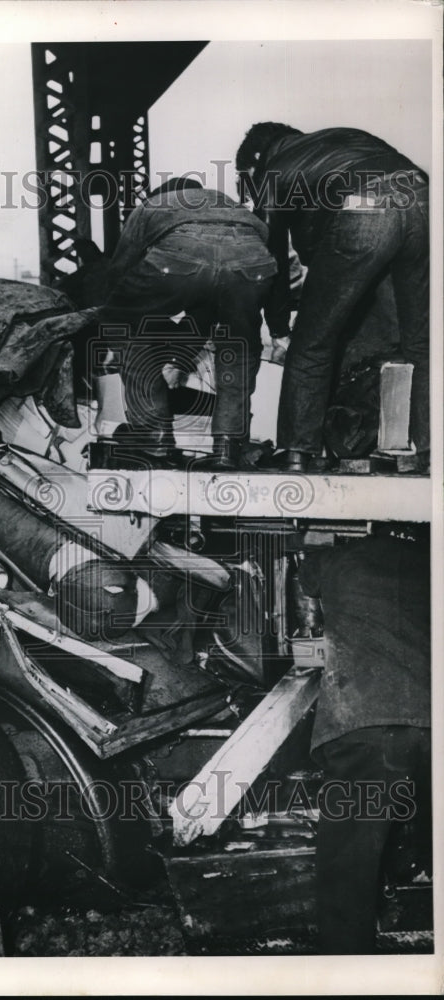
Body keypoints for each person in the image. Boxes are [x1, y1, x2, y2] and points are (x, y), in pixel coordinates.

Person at [235, 123, 429, 472]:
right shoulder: (345, 138)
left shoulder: (275, 170)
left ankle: (297, 451)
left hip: (365, 208)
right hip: (420, 197)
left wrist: (278, 326)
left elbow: (271, 256)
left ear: (257, 160)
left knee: (312, 342)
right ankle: (429, 449)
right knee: (420, 342)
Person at [298, 526, 431, 953]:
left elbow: (305, 575)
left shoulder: (340, 560)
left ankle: (346, 965)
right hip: (433, 713)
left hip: (367, 718)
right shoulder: (430, 560)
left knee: (349, 858)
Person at [99, 177, 277, 469]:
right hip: (250, 261)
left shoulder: (151, 207)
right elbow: (203, 317)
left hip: (179, 263)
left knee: (123, 320)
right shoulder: (232, 207)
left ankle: (153, 438)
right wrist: (176, 359)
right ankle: (227, 448)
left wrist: (112, 329)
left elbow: (118, 273)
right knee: (240, 345)